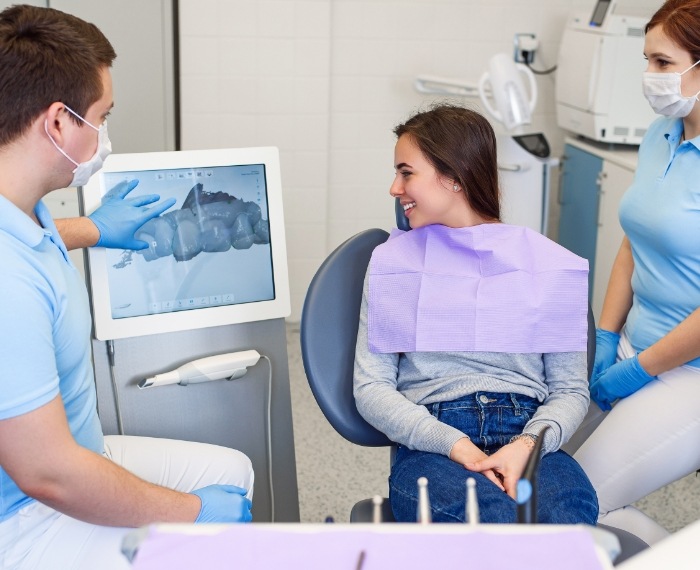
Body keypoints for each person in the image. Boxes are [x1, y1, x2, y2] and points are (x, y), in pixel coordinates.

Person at [0, 6, 253, 569]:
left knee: (232, 471)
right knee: (212, 534)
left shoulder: (22, 212)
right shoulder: (7, 286)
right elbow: (48, 474)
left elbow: (29, 244)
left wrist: (91, 229)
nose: (104, 134)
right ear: (58, 122)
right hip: (24, 516)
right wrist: (189, 514)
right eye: (101, 117)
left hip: (74, 449)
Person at [353, 104, 598, 524]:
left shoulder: (549, 264)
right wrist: (455, 445)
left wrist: (527, 445)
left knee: (568, 521)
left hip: (529, 433)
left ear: (453, 177)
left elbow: (570, 390)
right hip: (436, 441)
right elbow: (371, 387)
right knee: (490, 526)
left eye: (406, 172)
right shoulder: (393, 264)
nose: (395, 188)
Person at [571, 0, 700, 546]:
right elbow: (633, 241)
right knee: (530, 465)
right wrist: (606, 336)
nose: (650, 77)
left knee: (572, 500)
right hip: (631, 345)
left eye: (663, 63)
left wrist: (638, 370)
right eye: (647, 60)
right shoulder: (661, 133)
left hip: (687, 375)